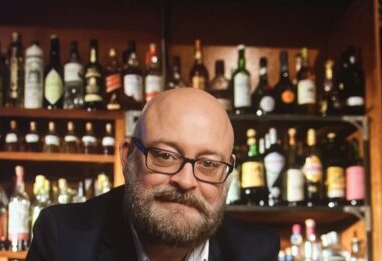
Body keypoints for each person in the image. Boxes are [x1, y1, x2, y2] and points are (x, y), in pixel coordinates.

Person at [27, 88, 279, 261]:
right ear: (128, 157)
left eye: (209, 164)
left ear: (228, 171)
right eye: (165, 156)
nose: (186, 181)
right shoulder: (64, 239)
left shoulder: (255, 251)